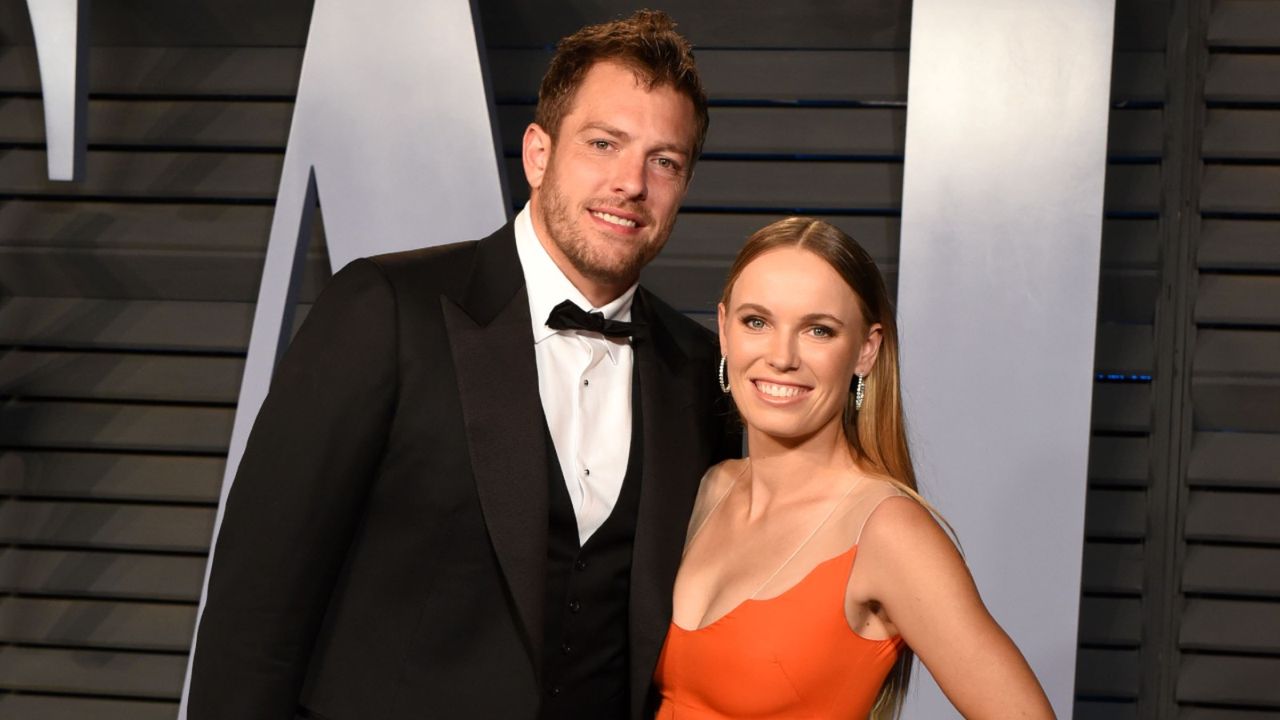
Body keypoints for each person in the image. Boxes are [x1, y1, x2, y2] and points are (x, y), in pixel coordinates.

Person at [188, 11, 736, 720]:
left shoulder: (697, 373)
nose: (631, 182)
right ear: (538, 153)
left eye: (664, 160)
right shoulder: (385, 310)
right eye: (604, 143)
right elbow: (254, 611)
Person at [654, 218, 1055, 719]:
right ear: (724, 330)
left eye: (818, 330)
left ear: (865, 350)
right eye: (756, 321)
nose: (781, 356)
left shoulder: (888, 531)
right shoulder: (712, 487)